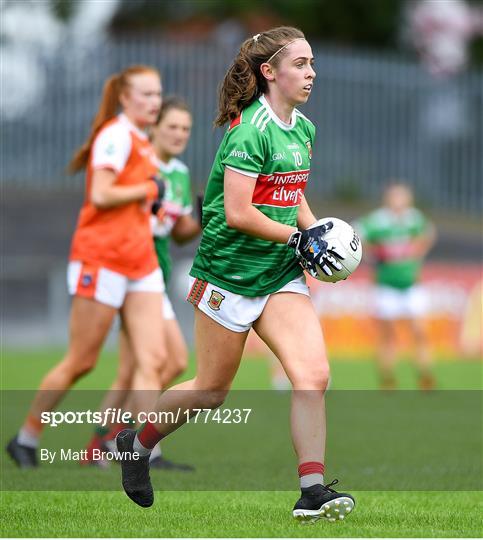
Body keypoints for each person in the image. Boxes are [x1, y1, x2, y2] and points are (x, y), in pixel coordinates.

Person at [115, 27, 355, 523]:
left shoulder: (303, 129)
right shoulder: (249, 129)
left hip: (279, 275)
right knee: (211, 390)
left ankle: (312, 489)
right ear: (269, 73)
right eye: (301, 64)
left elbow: (292, 195)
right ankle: (134, 445)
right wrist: (297, 238)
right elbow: (241, 212)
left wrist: (319, 238)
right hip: (227, 274)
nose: (311, 73)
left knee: (313, 376)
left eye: (312, 63)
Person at [6, 65, 168, 468]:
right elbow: (100, 193)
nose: (154, 102)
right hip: (102, 259)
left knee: (154, 361)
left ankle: (143, 452)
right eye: (146, 94)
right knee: (82, 361)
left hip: (140, 261)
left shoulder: (143, 141)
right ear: (125, 98)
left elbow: (136, 203)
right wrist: (149, 189)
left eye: (158, 94)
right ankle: (26, 437)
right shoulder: (114, 135)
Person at [83, 97, 201, 469]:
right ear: (153, 127)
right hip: (132, 272)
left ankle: (102, 443)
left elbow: (179, 233)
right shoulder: (139, 163)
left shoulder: (179, 173)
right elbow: (111, 205)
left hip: (156, 272)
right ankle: (143, 451)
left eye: (185, 128)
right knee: (159, 362)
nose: (180, 134)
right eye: (172, 126)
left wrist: (202, 217)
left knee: (140, 369)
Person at [354, 182, 437, 390]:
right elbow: (354, 233)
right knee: (388, 333)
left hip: (411, 284)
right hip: (386, 285)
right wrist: (372, 253)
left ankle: (425, 374)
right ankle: (387, 377)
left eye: (402, 197)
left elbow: (429, 233)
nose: (399, 202)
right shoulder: (377, 221)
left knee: (419, 331)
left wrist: (418, 251)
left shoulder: (414, 218)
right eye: (395, 197)